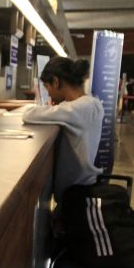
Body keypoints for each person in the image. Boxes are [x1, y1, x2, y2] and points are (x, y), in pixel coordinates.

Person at [22, 57, 104, 202]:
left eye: (47, 87)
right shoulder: (92, 103)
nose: (48, 93)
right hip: (85, 184)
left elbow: (28, 114)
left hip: (75, 195)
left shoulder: (77, 109)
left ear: (56, 81)